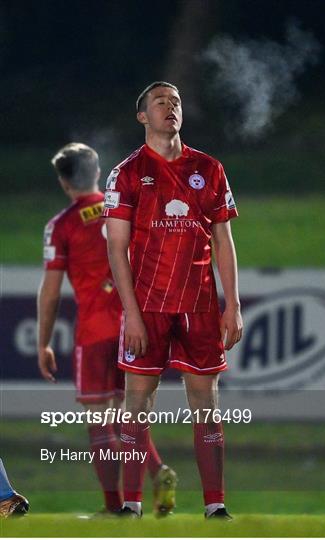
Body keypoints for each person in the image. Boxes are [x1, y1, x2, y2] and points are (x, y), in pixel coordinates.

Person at [103, 81, 243, 519]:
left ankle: (215, 505)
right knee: (137, 404)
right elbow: (116, 248)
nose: (171, 108)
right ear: (142, 116)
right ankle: (132, 504)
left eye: (177, 102)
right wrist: (131, 314)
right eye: (160, 102)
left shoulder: (210, 169)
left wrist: (232, 304)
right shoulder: (126, 173)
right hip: (148, 306)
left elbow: (223, 238)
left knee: (207, 403)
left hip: (200, 306)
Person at [37, 142, 177, 517]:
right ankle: (157, 470)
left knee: (100, 423)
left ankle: (114, 507)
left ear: (65, 183)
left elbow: (51, 293)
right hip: (137, 328)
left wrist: (43, 342)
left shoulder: (62, 226)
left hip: (95, 331)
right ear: (98, 173)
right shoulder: (130, 210)